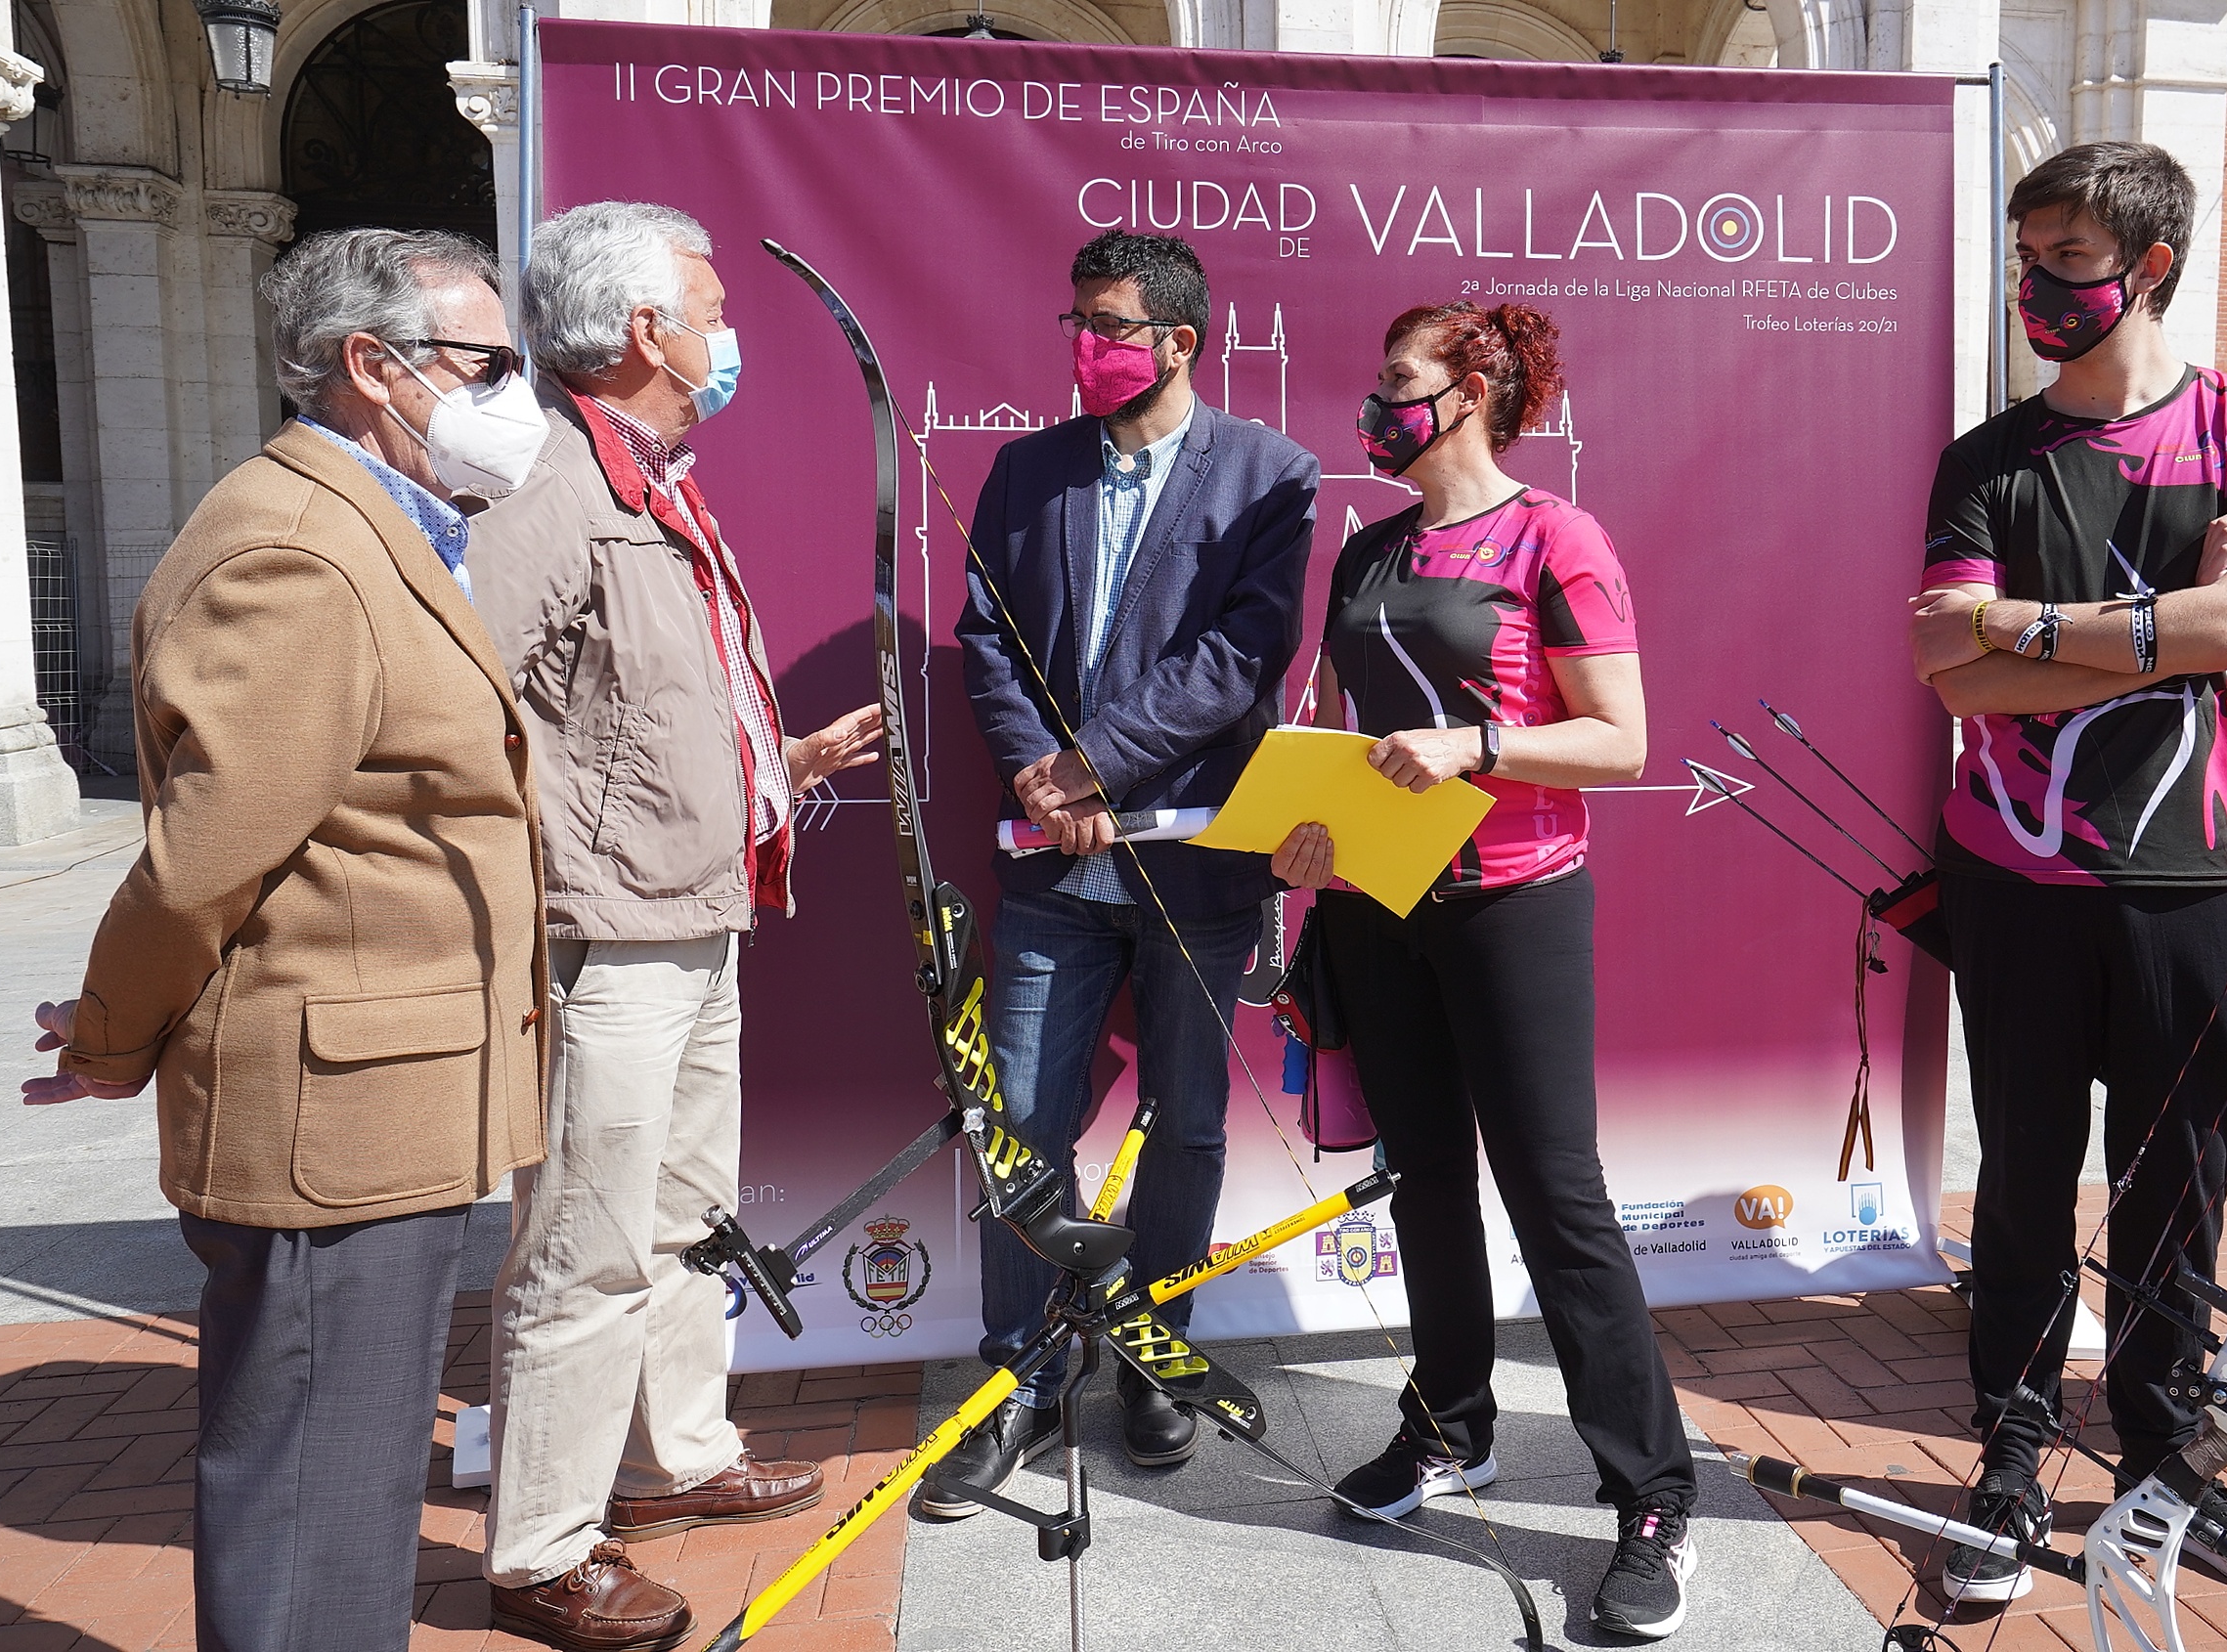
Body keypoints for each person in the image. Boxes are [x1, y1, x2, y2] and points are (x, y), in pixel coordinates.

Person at [21, 228, 548, 1652]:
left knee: (348, 1489)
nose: (513, 395)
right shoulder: (297, 549)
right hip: (333, 1117)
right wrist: (111, 1037)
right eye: (489, 363)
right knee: (318, 1495)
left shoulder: (377, 525)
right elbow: (205, 857)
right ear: (373, 366)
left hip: (384, 1097)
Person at [1906, 142, 2227, 1605]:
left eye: (2067, 260)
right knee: (2022, 1183)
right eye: (2025, 257)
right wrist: (2159, 621)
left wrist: (2024, 624)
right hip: (2013, 879)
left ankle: (2157, 1461)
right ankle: (2011, 1454)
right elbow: (1948, 672)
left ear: (2147, 268)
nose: (2035, 286)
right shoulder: (1985, 458)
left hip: (2201, 882)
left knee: (2174, 1193)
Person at [467, 200, 882, 1652]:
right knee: (584, 1244)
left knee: (681, 1217)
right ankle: (541, 1547)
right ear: (646, 330)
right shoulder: (548, 487)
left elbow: (632, 703)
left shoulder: (648, 477)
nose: (726, 333)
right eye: (709, 310)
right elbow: (467, 708)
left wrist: (778, 761)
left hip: (698, 909)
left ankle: (672, 1458)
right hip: (610, 930)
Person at [1271, 299, 1699, 1640]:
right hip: (1375, 904)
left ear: (1470, 391)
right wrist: (1305, 833)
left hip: (1513, 904)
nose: (1373, 402)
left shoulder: (1556, 536)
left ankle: (1651, 1495)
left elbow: (1622, 740)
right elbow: (1332, 729)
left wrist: (1478, 746)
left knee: (1555, 1197)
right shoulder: (1367, 548)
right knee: (1424, 1184)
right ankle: (1450, 1424)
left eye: (1397, 379)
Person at [923, 229, 1320, 1511]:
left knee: (1186, 1123)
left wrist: (1092, 764)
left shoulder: (1268, 474)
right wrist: (1038, 774)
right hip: (1050, 874)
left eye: (1106, 326)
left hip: (1194, 867)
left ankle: (1155, 1352)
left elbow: (1240, 656)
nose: (1083, 346)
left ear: (1176, 341)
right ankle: (1019, 1377)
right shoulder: (1024, 469)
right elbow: (986, 635)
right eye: (1076, 324)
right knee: (1022, 1124)